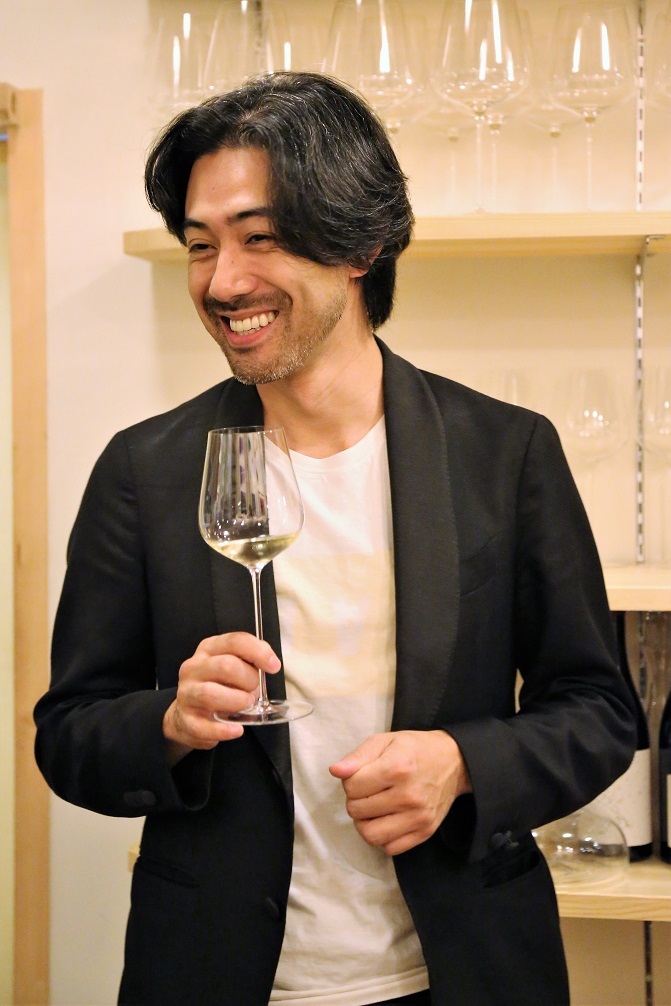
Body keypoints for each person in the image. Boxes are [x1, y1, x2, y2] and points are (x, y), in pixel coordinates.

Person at [34, 71, 636, 1006]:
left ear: (362, 243)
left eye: (259, 238)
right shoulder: (144, 470)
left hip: (464, 970)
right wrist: (169, 723)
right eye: (200, 245)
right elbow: (69, 736)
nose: (223, 283)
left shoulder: (503, 452)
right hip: (217, 973)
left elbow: (598, 711)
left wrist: (463, 764)